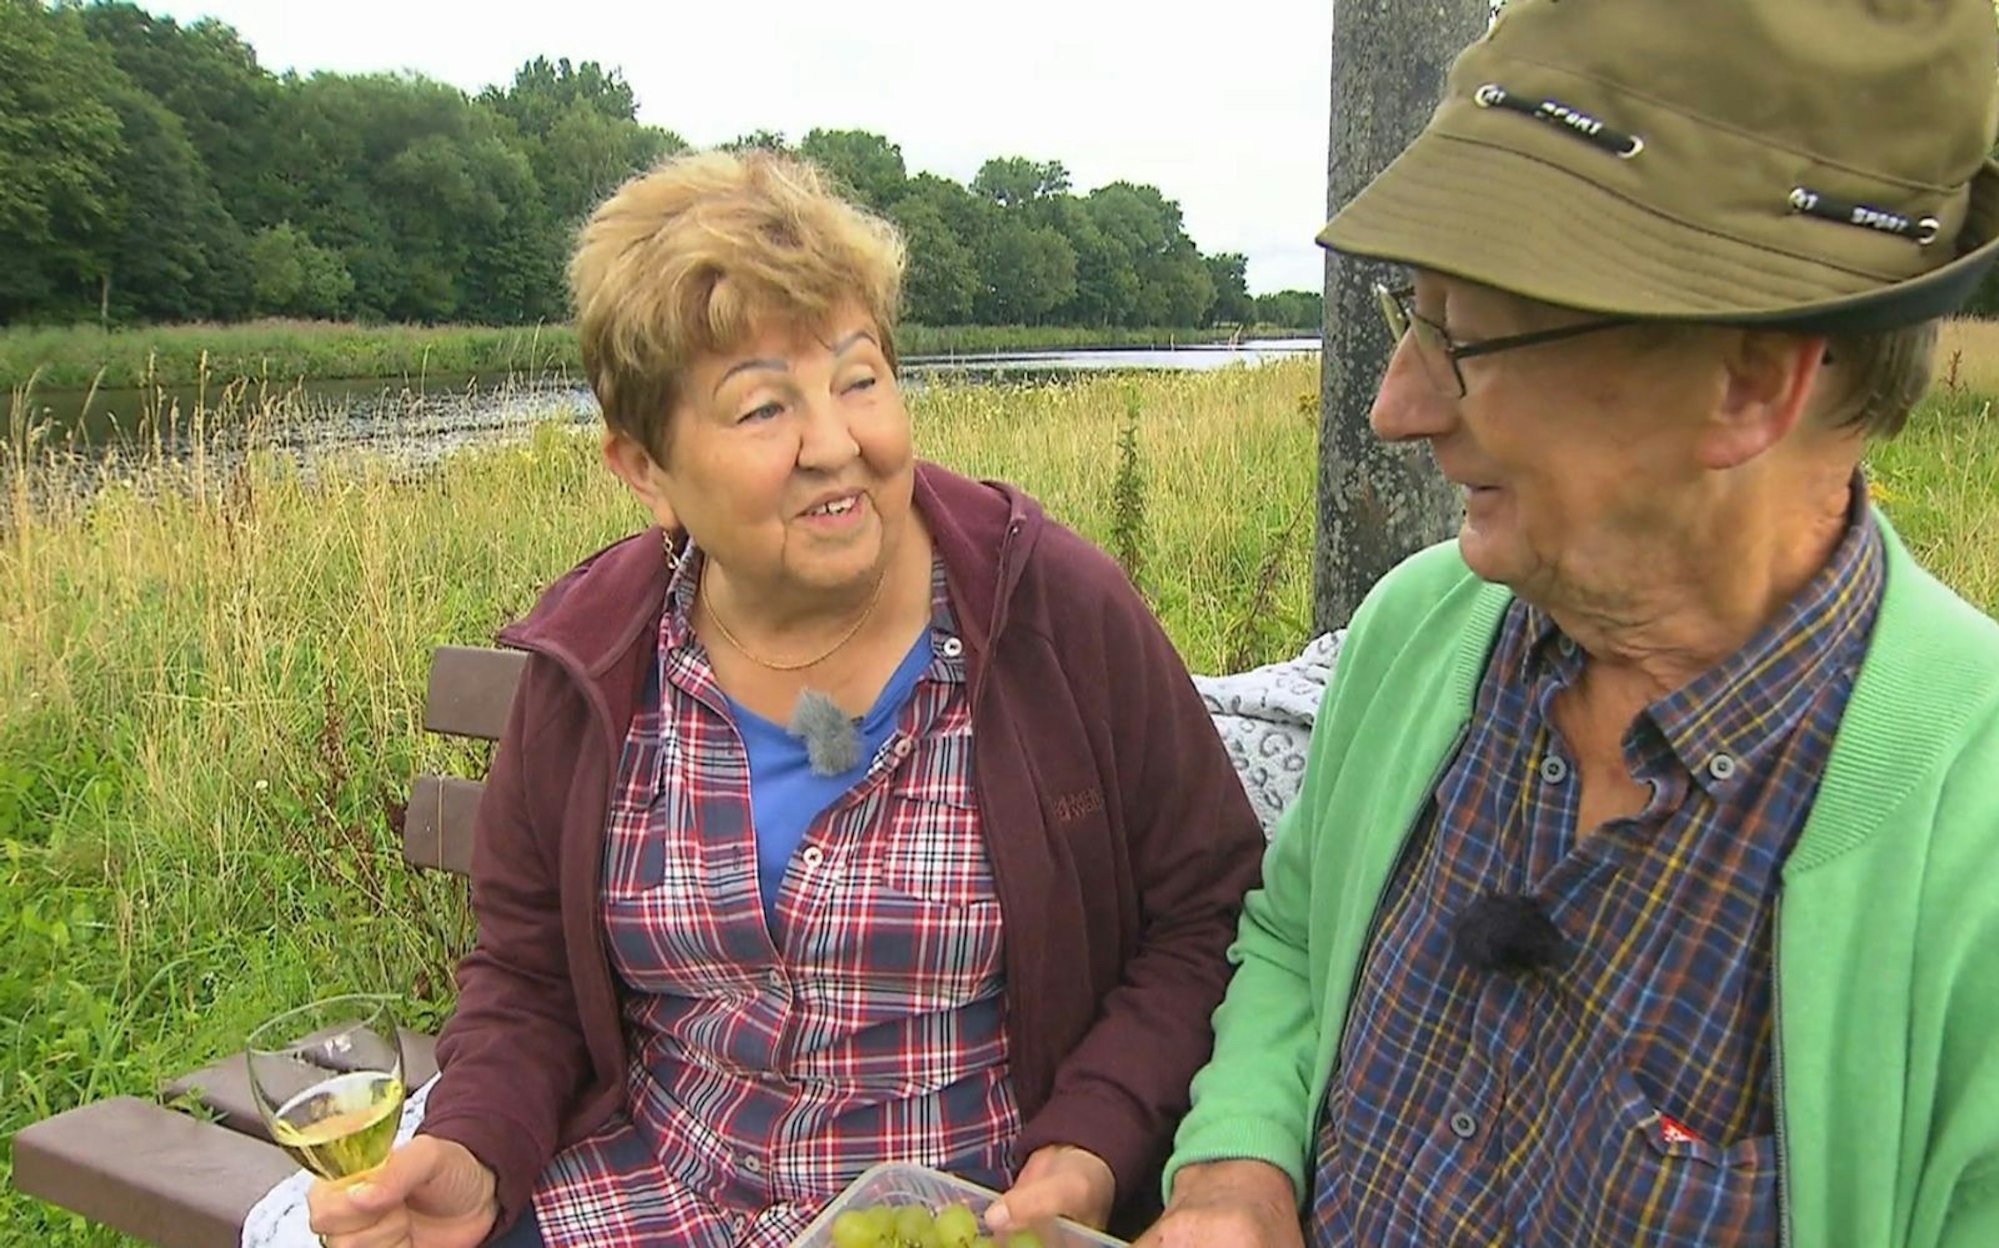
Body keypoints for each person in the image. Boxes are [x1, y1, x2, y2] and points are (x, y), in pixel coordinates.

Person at [1145, 0, 1999, 1245]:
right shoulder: (1419, 635)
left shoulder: (1968, 842)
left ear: (1748, 382)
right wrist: (1238, 1173)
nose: (1399, 406)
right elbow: (1289, 936)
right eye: (1409, 312)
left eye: (1468, 337)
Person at [306, 148, 1266, 1247]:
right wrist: (472, 1143)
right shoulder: (600, 659)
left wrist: (1093, 1137)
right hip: (650, 1195)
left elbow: (1206, 915)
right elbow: (525, 976)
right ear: (644, 468)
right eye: (763, 408)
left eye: (859, 378)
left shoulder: (1049, 610)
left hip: (960, 1216)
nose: (835, 443)